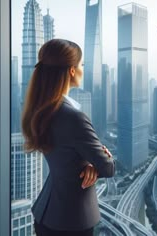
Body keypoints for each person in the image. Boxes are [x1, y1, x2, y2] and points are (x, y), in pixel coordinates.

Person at [21, 38, 116, 236]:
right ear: (72, 71)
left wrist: (91, 165)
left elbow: (66, 157)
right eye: (81, 65)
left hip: (46, 213)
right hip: (73, 219)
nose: (82, 69)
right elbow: (107, 167)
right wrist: (100, 160)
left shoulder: (41, 109)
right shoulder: (73, 117)